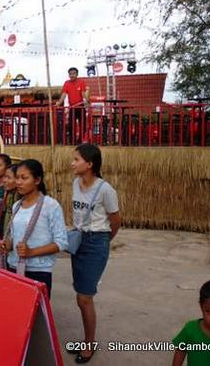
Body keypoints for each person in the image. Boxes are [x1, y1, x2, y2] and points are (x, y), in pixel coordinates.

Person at [69, 143, 120, 363]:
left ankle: (89, 345)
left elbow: (115, 221)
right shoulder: (75, 184)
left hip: (96, 242)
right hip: (78, 240)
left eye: (77, 159)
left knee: (84, 297)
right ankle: (86, 340)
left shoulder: (106, 190)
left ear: (89, 164)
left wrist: (103, 241)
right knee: (81, 294)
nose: (72, 163)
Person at [0, 159, 68, 298]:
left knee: (36, 316)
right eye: (17, 177)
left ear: (37, 180)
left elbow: (61, 242)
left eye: (24, 178)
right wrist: (7, 245)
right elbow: (14, 236)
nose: (19, 182)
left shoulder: (51, 206)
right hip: (14, 266)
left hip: (39, 270)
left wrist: (31, 252)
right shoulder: (17, 205)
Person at [56, 67, 90, 144]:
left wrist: (87, 101)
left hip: (80, 106)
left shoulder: (81, 82)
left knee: (83, 125)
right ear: (69, 75)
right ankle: (72, 141)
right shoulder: (66, 83)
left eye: (74, 73)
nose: (72, 75)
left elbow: (83, 94)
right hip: (72, 107)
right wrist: (59, 102)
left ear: (77, 74)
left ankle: (80, 140)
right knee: (71, 125)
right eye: (70, 74)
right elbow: (64, 94)